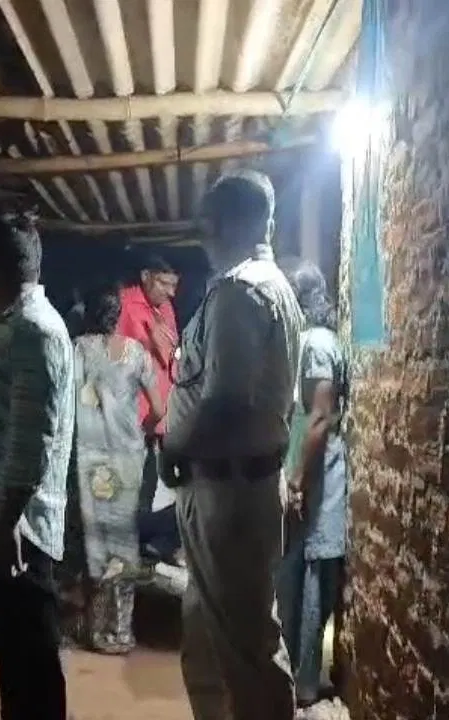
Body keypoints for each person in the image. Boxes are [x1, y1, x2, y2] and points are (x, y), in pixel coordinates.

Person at [163, 169, 304, 720]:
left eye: (208, 224)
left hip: (228, 490)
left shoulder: (240, 291)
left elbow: (224, 401)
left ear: (222, 223)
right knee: (209, 635)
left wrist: (174, 450)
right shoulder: (268, 286)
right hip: (237, 483)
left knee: (246, 648)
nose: (204, 237)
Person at [0, 215, 75, 720]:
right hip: (2, 515)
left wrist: (7, 524)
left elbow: (31, 440)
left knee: (31, 653)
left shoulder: (34, 332)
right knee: (16, 648)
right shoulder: (17, 326)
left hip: (17, 524)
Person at [71, 286, 165, 654]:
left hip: (91, 456)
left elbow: (68, 400)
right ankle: (122, 631)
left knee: (95, 540)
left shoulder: (78, 349)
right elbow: (159, 409)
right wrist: (139, 433)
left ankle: (97, 632)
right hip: (128, 457)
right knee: (123, 538)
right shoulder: (136, 352)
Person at [276, 258, 348, 710]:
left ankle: (304, 682)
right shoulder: (304, 341)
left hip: (317, 477)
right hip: (301, 472)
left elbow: (320, 418)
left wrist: (300, 478)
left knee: (313, 576)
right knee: (291, 572)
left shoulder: (318, 343)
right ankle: (290, 676)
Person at [116, 252, 182, 563]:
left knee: (152, 483)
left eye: (174, 286)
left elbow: (172, 356)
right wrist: (149, 344)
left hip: (160, 416)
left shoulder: (165, 308)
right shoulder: (125, 304)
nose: (171, 293)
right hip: (133, 415)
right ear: (145, 276)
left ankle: (141, 542)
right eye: (164, 284)